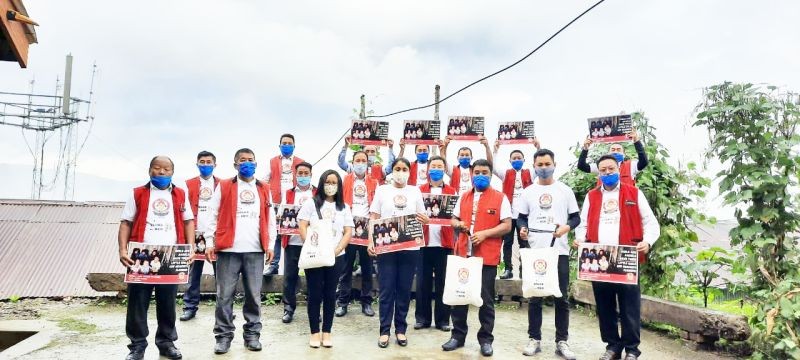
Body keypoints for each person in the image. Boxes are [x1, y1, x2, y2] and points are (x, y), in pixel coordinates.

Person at [575, 154, 660, 360]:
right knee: (604, 307)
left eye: (611, 169)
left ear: (619, 168)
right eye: (603, 170)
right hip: (599, 259)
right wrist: (580, 239)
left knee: (630, 306)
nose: (607, 173)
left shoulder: (634, 193)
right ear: (599, 173)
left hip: (626, 259)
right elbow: (583, 224)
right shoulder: (591, 196)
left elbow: (651, 223)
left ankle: (632, 349)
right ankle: (612, 346)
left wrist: (647, 242)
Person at [118, 155, 194, 360]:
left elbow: (188, 222)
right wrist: (123, 250)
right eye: (157, 168)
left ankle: (166, 343)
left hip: (171, 257)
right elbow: (126, 222)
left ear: (172, 172)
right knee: (137, 303)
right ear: (149, 170)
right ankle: (137, 346)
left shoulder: (180, 194)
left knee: (167, 302)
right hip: (140, 257)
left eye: (166, 169)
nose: (161, 172)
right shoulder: (138, 194)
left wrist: (191, 247)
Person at [205, 148, 277, 354]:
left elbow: (270, 218)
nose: (247, 163)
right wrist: (210, 242)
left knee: (254, 296)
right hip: (228, 249)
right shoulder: (225, 186)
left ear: (256, 163)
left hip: (255, 250)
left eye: (251, 160)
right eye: (242, 160)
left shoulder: (264, 188)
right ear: (235, 164)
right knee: (224, 296)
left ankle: (252, 335)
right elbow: (212, 214)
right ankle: (223, 337)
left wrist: (270, 244)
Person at [442, 159, 512, 357]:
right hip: (463, 253)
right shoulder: (463, 196)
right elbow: (453, 218)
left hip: (486, 256)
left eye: (485, 172)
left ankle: (486, 340)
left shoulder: (500, 198)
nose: (480, 175)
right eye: (477, 172)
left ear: (490, 175)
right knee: (459, 297)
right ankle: (457, 336)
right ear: (471, 174)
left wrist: (485, 234)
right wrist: (458, 224)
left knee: (486, 300)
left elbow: (507, 225)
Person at [517, 149, 580, 359]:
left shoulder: (565, 190)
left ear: (554, 164)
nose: (544, 168)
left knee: (561, 297)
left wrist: (566, 228)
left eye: (547, 164)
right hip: (536, 250)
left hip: (558, 251)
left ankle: (562, 341)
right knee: (535, 297)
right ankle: (534, 339)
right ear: (534, 166)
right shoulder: (528, 192)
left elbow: (575, 218)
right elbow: (521, 218)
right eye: (540, 165)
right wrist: (522, 228)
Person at [368, 158, 429, 348]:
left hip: (409, 248)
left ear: (409, 172)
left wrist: (425, 219)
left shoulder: (415, 191)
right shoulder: (382, 190)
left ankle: (401, 330)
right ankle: (384, 330)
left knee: (404, 290)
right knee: (386, 290)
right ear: (392, 171)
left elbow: (423, 216)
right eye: (397, 168)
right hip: (386, 247)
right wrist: (371, 240)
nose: (400, 172)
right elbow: (374, 217)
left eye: (404, 169)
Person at [297, 169, 354, 348]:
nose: (330, 186)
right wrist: (313, 246)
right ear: (322, 184)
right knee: (314, 294)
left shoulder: (344, 207)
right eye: (327, 182)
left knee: (330, 295)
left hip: (337, 257)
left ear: (339, 186)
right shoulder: (310, 204)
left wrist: (336, 250)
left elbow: (348, 231)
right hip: (315, 256)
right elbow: (302, 226)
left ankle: (327, 332)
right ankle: (314, 332)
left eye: (334, 183)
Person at [414, 156, 457, 332]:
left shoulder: (452, 191)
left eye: (440, 166)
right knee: (422, 283)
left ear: (444, 169)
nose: (437, 169)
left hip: (444, 244)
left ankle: (442, 320)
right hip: (423, 244)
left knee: (443, 282)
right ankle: (422, 319)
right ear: (428, 169)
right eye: (434, 166)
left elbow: (456, 216)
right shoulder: (418, 190)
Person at [337, 150, 378, 317]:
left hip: (367, 230)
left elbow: (377, 207)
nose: (360, 163)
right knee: (345, 268)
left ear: (368, 163)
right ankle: (342, 302)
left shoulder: (374, 182)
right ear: (352, 163)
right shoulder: (345, 180)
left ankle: (366, 302)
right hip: (349, 229)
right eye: (357, 160)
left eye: (363, 160)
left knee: (367, 269)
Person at [492, 139, 540, 279]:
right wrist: (495, 150)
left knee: (524, 242)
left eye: (519, 158)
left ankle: (524, 270)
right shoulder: (506, 173)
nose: (517, 160)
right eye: (514, 158)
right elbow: (493, 167)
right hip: (508, 215)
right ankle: (508, 269)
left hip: (524, 216)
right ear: (510, 160)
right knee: (507, 243)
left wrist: (537, 147)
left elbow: (538, 166)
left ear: (524, 160)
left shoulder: (529, 173)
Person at [181, 150, 220, 321]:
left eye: (208, 162)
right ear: (197, 164)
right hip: (195, 235)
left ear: (215, 164)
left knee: (222, 274)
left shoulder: (222, 184)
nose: (205, 165)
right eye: (202, 162)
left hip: (215, 235)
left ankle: (224, 308)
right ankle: (190, 307)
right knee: (193, 274)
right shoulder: (188, 184)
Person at [279, 162, 316, 324]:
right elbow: (281, 214)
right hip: (292, 242)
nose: (302, 176)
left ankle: (314, 310)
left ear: (311, 174)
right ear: (295, 175)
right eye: (300, 173)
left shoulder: (317, 192)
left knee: (314, 277)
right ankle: (288, 309)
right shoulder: (288, 193)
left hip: (311, 241)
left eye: (305, 173)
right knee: (290, 277)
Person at [265, 134, 305, 275]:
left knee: (294, 235)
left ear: (294, 146)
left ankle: (301, 267)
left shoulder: (300, 162)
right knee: (275, 234)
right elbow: (265, 180)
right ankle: (273, 265)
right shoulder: (273, 161)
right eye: (284, 143)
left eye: (289, 143)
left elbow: (306, 177)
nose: (286, 145)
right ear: (279, 145)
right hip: (276, 203)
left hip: (294, 204)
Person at [577, 129, 648, 187]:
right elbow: (581, 166)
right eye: (613, 150)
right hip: (605, 201)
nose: (616, 152)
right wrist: (585, 148)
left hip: (626, 201)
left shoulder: (631, 166)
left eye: (618, 150)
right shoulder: (601, 165)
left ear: (624, 154)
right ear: (608, 153)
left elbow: (644, 162)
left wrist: (636, 140)